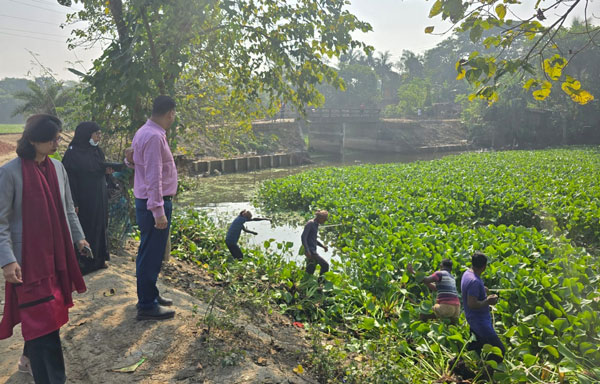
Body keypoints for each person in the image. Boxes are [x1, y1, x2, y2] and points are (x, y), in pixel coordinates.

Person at [0, 114, 89, 384]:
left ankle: (28, 360)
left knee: (48, 317)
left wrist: (80, 239)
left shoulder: (59, 169)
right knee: (42, 322)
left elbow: (68, 210)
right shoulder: (10, 173)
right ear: (33, 140)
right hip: (28, 262)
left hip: (56, 258)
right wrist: (7, 261)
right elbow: (1, 221)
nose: (56, 141)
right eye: (51, 137)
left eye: (58, 135)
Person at [129, 96, 178, 321]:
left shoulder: (145, 132)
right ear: (170, 113)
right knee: (151, 254)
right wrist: (158, 210)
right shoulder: (154, 136)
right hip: (153, 204)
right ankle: (147, 305)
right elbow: (153, 175)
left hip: (147, 202)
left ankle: (151, 295)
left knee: (150, 252)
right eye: (174, 114)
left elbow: (137, 163)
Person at [62, 122, 112, 275]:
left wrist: (108, 172)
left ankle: (99, 259)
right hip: (83, 198)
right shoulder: (73, 153)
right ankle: (84, 262)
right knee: (86, 227)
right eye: (96, 133)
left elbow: (100, 169)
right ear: (86, 135)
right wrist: (74, 202)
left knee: (100, 225)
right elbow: (69, 180)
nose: (99, 137)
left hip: (99, 195)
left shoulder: (96, 151)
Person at [460, 252, 505, 364]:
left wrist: (482, 289)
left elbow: (470, 289)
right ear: (484, 266)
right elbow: (472, 303)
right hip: (479, 322)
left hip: (473, 320)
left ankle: (477, 368)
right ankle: (487, 372)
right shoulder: (475, 281)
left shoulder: (467, 274)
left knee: (478, 349)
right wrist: (488, 301)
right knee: (499, 351)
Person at [301, 210, 329, 276]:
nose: (324, 221)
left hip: (313, 251)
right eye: (324, 220)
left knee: (310, 271)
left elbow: (313, 239)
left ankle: (305, 283)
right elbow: (303, 237)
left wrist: (323, 246)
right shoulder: (310, 224)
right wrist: (307, 250)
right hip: (311, 251)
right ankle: (321, 282)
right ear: (320, 218)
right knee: (325, 265)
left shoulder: (315, 224)